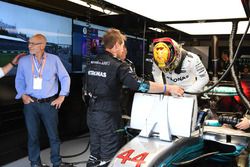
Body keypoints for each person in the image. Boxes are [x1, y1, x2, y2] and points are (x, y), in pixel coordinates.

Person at [86, 28, 184, 167]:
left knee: (94, 156)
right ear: (116, 46)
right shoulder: (118, 65)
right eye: (122, 45)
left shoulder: (93, 61)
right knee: (108, 158)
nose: (123, 49)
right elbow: (140, 85)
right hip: (107, 116)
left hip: (91, 114)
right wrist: (168, 88)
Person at [15, 34, 71, 167]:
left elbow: (65, 77)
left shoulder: (54, 59)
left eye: (32, 43)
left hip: (49, 104)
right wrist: (22, 95)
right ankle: (35, 163)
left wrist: (62, 95)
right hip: (31, 105)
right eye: (29, 43)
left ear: (42, 45)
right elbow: (19, 80)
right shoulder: (24, 61)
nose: (29, 46)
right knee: (32, 136)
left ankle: (56, 162)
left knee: (53, 136)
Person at [151, 37, 209, 131]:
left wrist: (186, 93)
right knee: (168, 127)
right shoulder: (157, 59)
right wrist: (164, 89)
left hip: (189, 96)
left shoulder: (192, 59)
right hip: (170, 95)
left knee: (188, 128)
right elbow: (156, 74)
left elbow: (204, 78)